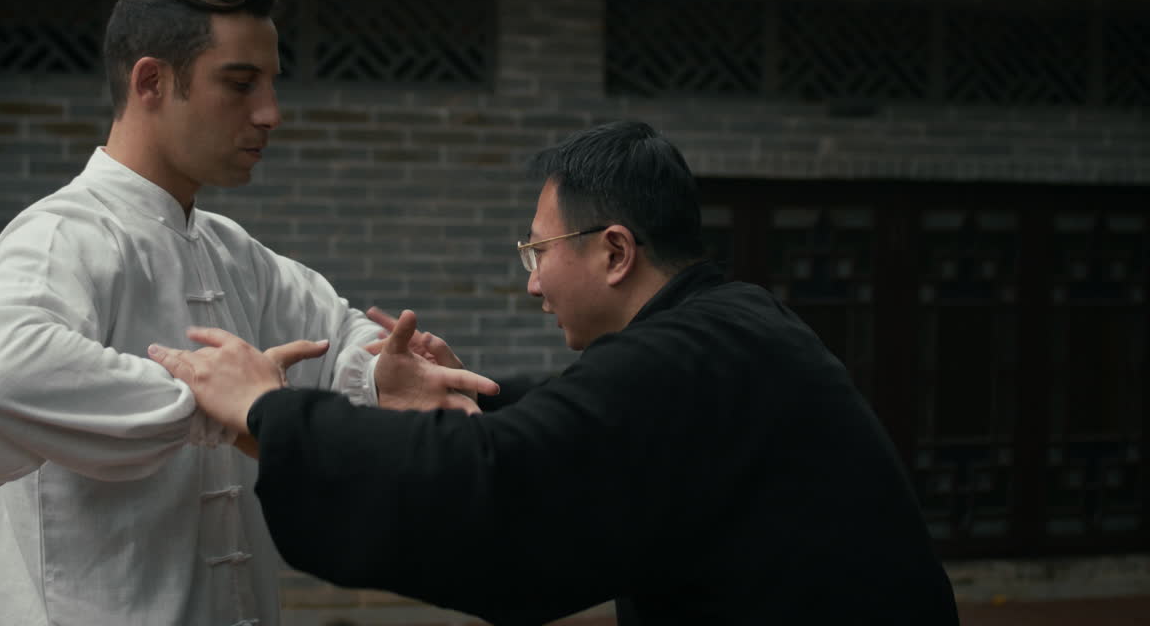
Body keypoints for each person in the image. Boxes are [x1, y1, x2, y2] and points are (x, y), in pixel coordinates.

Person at [148, 120, 961, 625]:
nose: (531, 281)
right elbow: (570, 422)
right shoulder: (726, 324)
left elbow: (510, 482)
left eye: (537, 252)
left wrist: (268, 412)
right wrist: (463, 403)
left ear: (613, 251)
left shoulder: (691, 353)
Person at [0, 0, 493, 626]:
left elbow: (334, 336)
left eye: (270, 84)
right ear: (151, 81)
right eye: (239, 84)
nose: (270, 113)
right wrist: (209, 403)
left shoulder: (230, 251)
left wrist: (383, 376)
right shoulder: (65, 233)